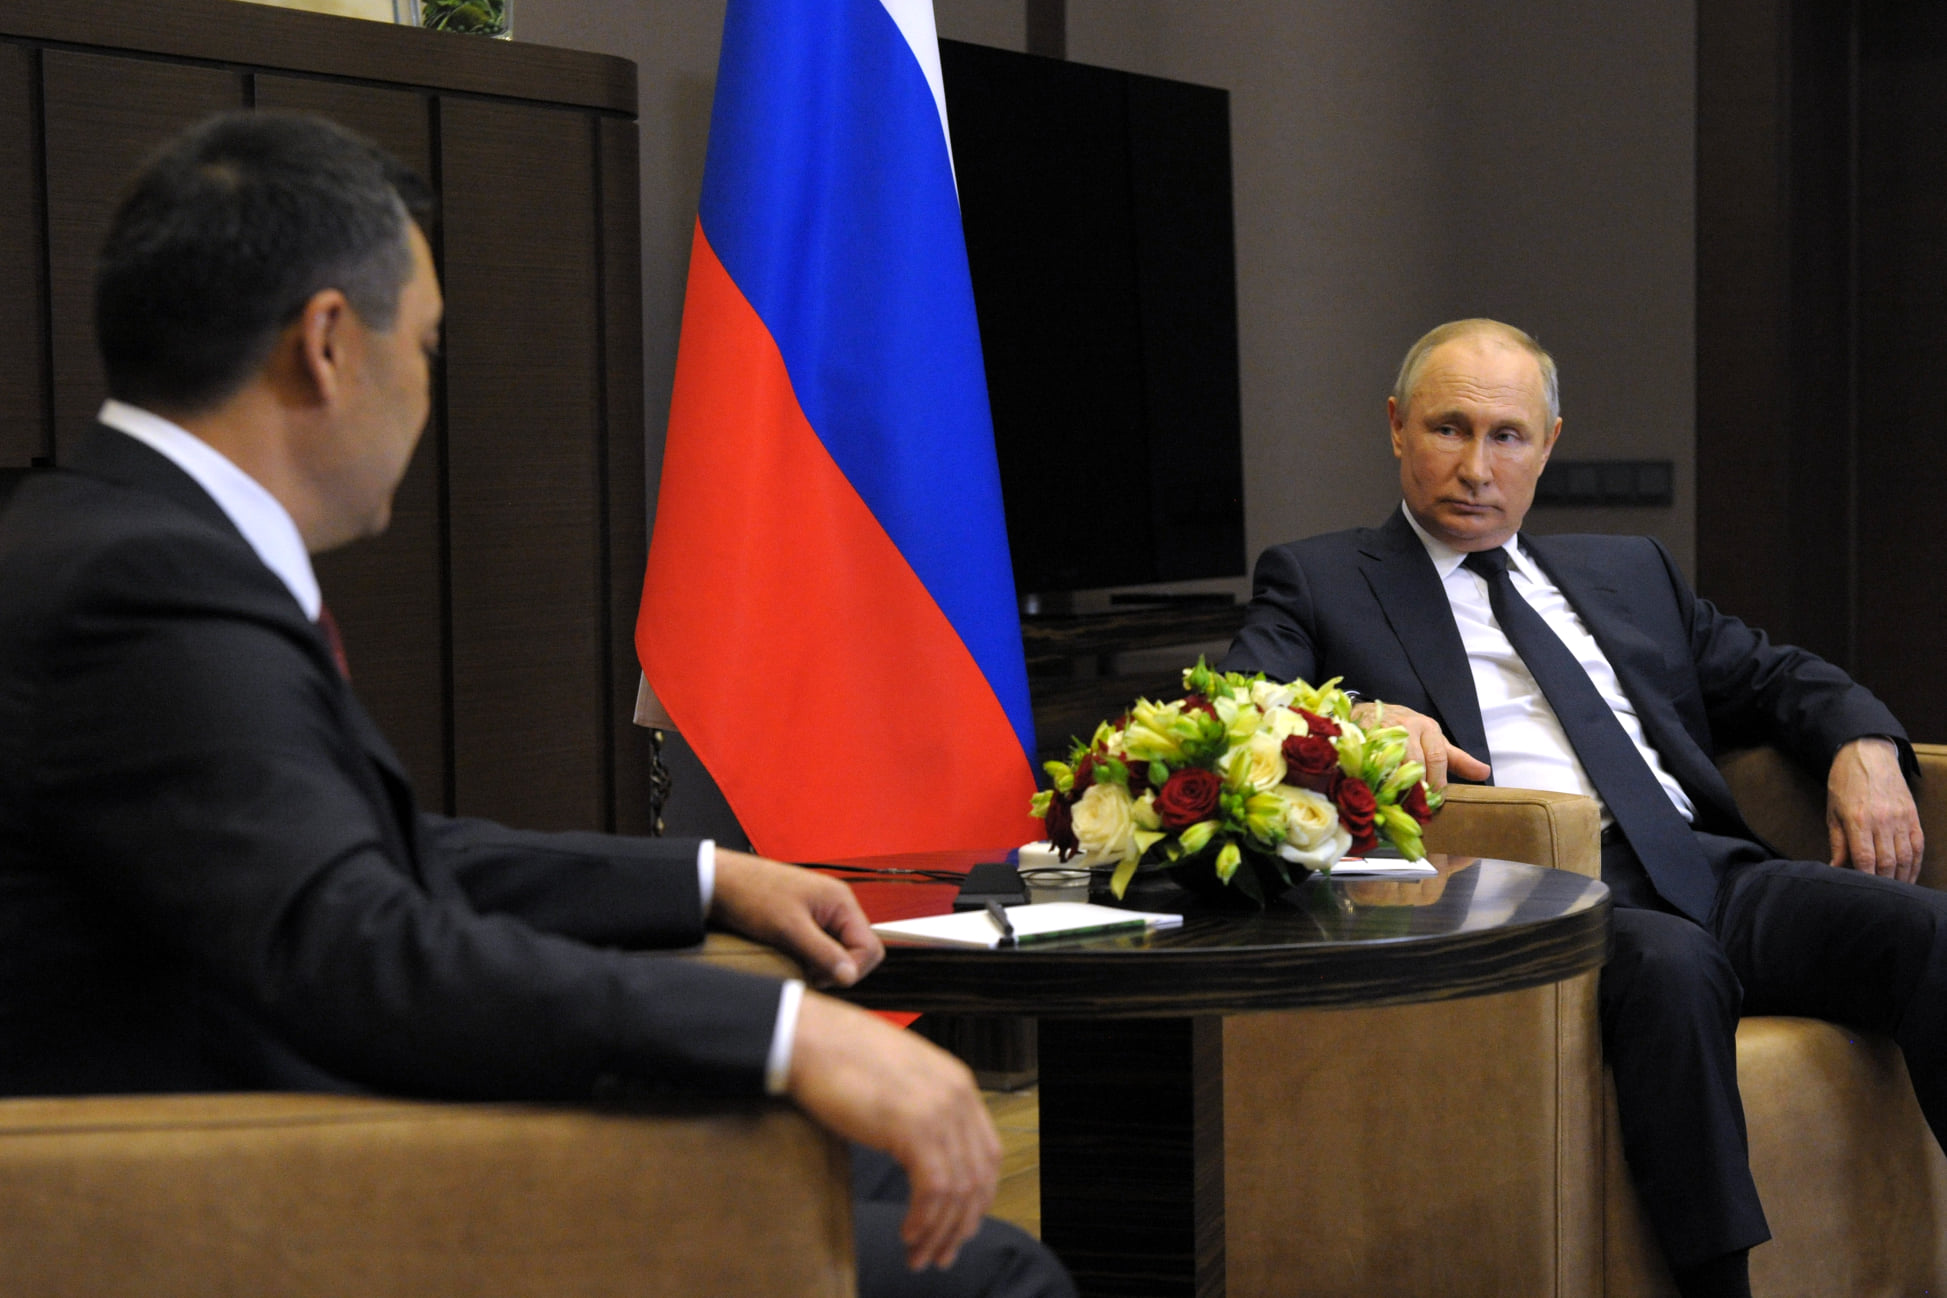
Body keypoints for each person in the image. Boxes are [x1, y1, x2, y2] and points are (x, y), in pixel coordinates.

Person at [0, 110, 1071, 1298]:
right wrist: (780, 1030)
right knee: (991, 1269)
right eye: (428, 345)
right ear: (328, 343)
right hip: (272, 1196)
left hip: (320, 1131)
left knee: (864, 1167)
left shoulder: (112, 537)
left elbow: (361, 857)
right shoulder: (146, 586)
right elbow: (356, 939)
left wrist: (707, 878)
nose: (427, 388)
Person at [1223, 317, 1946, 1298]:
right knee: (1675, 968)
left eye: (1507, 436)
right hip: (1535, 900)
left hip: (1707, 872)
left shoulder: (1627, 570)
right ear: (1395, 427)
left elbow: (1776, 677)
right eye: (1448, 428)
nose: (1476, 467)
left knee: (1928, 932)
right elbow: (1240, 711)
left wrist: (1864, 746)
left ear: (1548, 444)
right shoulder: (1319, 579)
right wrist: (1353, 716)